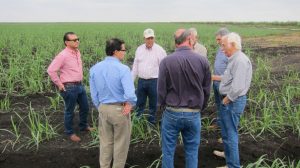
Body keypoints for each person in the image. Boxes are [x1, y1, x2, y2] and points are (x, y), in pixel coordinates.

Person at [158, 28, 211, 168]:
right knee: (192, 151)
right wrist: (201, 107)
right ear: (189, 39)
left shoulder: (166, 61)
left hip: (171, 112)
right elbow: (206, 90)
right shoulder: (202, 61)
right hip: (193, 114)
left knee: (168, 151)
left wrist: (162, 106)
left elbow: (161, 90)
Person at [89, 38, 137, 168]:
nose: (125, 52)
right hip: (119, 110)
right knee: (120, 144)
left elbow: (93, 94)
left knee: (105, 143)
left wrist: (100, 106)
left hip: (103, 109)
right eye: (123, 50)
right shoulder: (123, 69)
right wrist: (130, 103)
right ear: (115, 52)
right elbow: (130, 94)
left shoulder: (94, 68)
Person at [212, 32, 252, 168]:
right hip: (229, 101)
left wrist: (226, 99)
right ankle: (228, 156)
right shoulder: (234, 59)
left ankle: (233, 165)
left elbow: (238, 86)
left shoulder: (240, 60)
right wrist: (214, 77)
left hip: (232, 102)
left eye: (224, 45)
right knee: (226, 132)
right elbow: (228, 78)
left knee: (230, 133)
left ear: (233, 45)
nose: (222, 49)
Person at [47, 32, 93, 142]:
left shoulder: (77, 52)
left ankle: (83, 126)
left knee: (85, 107)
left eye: (78, 39)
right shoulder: (63, 55)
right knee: (69, 111)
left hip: (79, 85)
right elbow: (51, 70)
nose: (77, 41)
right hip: (69, 87)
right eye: (74, 40)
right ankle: (70, 132)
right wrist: (59, 84)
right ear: (66, 42)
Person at [132, 28, 167, 125]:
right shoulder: (139, 49)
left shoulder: (160, 50)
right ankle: (137, 121)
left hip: (154, 81)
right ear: (144, 39)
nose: (150, 40)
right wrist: (131, 81)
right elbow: (135, 66)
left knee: (153, 104)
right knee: (139, 103)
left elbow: (164, 69)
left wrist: (163, 84)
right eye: (148, 38)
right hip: (141, 81)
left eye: (151, 38)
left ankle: (151, 122)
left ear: (154, 38)